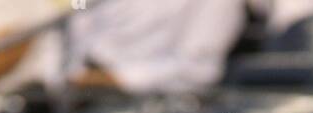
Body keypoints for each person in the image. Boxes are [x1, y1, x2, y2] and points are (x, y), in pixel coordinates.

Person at [67, 0, 248, 95]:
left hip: (171, 107)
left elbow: (200, 67)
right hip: (79, 96)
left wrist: (117, 79)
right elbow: (73, 39)